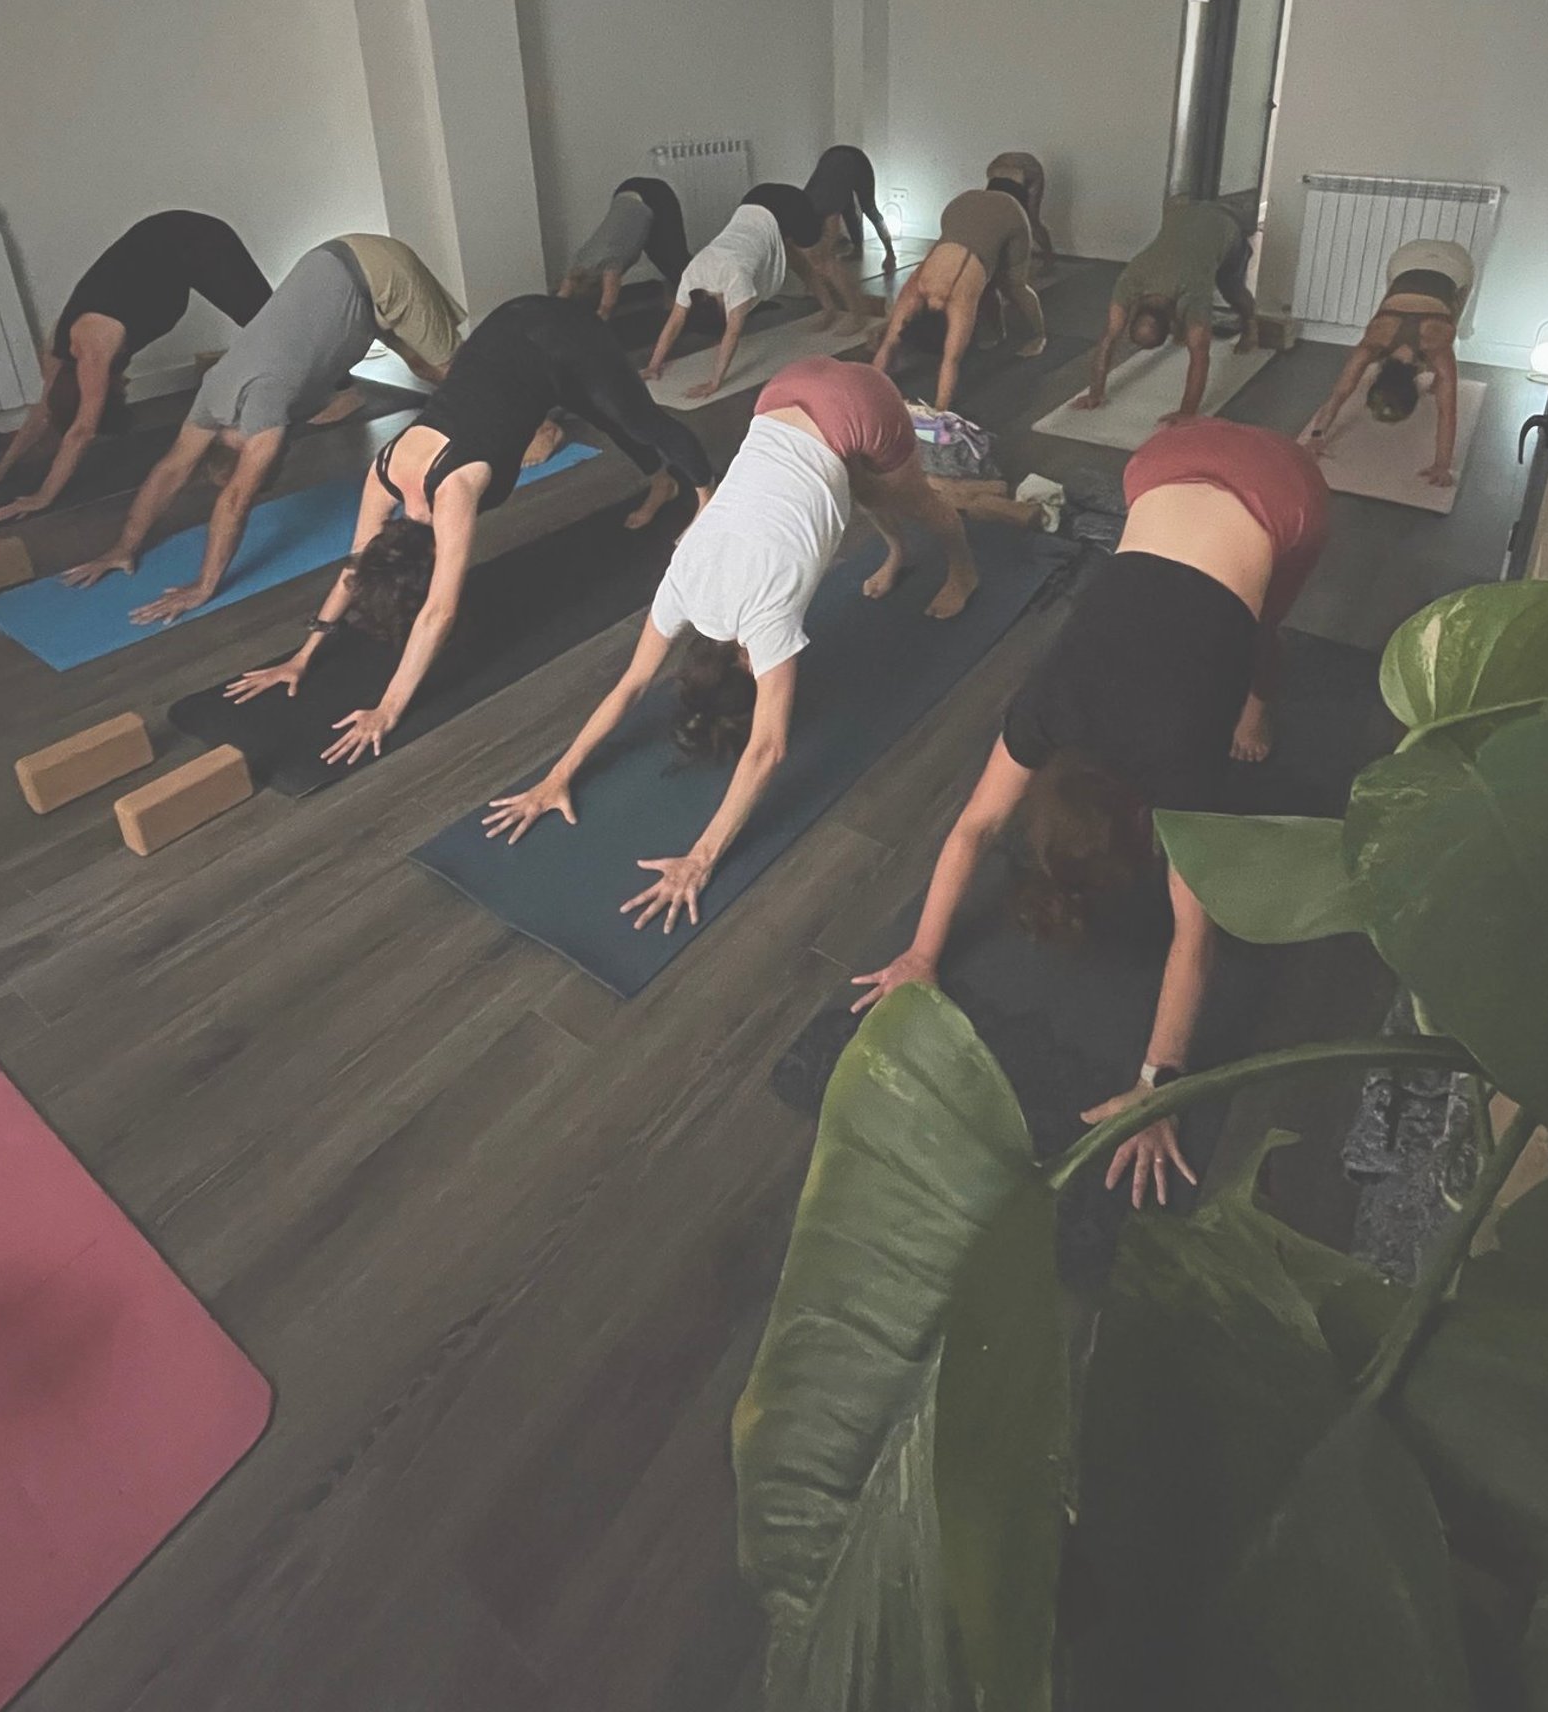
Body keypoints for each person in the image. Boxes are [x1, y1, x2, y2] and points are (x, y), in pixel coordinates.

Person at [852, 419, 1328, 1206]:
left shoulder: (1182, 770)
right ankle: (1245, 686)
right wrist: (921, 954)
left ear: (1145, 827)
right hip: (1166, 460)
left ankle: (1256, 704)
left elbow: (1194, 941)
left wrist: (1156, 1086)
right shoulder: (1044, 713)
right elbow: (973, 830)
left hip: (1282, 489)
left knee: (1257, 624)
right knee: (1231, 616)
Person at [480, 357, 978, 927]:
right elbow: (632, 685)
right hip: (782, 395)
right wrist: (555, 777)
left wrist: (701, 858)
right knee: (864, 486)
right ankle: (897, 553)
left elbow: (767, 749)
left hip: (856, 400)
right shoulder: (681, 585)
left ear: (745, 661)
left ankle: (964, 570)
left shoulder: (766, 624)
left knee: (912, 499)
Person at [222, 296, 713, 764]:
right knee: (598, 410)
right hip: (511, 343)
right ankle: (660, 484)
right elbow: (356, 564)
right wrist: (303, 655)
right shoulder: (383, 471)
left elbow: (440, 610)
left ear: (430, 559)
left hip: (559, 334)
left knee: (635, 416)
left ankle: (705, 497)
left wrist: (388, 707)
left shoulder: (452, 492)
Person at [59, 234, 464, 626]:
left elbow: (237, 499)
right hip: (337, 271)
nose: (280, 457)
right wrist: (123, 547)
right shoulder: (215, 392)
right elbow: (170, 470)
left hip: (376, 269)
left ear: (245, 449)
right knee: (422, 365)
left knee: (451, 370)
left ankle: (528, 431)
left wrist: (203, 586)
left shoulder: (265, 404)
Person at [0, 210, 271, 521]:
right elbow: (44, 409)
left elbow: (81, 432)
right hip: (166, 247)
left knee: (273, 326)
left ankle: (324, 397)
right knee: (267, 327)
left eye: (119, 394)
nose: (126, 386)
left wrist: (43, 496)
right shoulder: (59, 349)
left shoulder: (95, 348)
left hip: (196, 239)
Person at [644, 184, 864, 400]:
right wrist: (654, 366)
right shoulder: (691, 276)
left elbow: (732, 333)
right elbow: (674, 322)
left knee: (820, 262)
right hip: (754, 200)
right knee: (796, 259)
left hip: (789, 205)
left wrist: (715, 382)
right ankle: (829, 309)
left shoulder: (735, 278)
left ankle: (856, 313)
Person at [1302, 237, 1474, 488]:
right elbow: (1340, 393)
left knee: (1450, 318)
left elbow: (1448, 412)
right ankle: (1441, 378)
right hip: (1415, 260)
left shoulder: (1422, 345)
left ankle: (1440, 380)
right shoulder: (1383, 343)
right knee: (1441, 317)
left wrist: (1442, 466)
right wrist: (1315, 436)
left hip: (1439, 262)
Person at [1073, 194, 1258, 423]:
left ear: (1172, 321)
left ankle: (1251, 326)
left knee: (1232, 289)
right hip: (1186, 213)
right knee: (1194, 317)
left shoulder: (1194, 289)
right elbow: (1109, 338)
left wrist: (1187, 412)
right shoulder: (1130, 280)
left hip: (1228, 225)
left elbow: (1200, 355)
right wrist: (1095, 393)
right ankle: (1188, 329)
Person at [871, 187, 1046, 415]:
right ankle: (997, 332)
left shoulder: (960, 302)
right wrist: (869, 390)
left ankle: (1039, 335)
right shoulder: (915, 287)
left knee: (1013, 285)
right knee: (984, 277)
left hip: (1007, 213)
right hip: (961, 206)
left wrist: (940, 412)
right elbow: (890, 343)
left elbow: (950, 361)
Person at [558, 177, 691, 321]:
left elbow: (607, 306)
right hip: (626, 190)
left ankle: (706, 296)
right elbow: (560, 299)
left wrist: (591, 324)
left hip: (654, 194)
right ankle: (674, 302)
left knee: (675, 259)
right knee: (659, 253)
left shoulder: (610, 266)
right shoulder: (579, 260)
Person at [804, 144, 896, 272]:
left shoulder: (825, 204)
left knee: (869, 209)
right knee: (847, 209)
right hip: (833, 159)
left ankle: (890, 252)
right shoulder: (809, 200)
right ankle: (857, 250)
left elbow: (832, 232)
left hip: (858, 163)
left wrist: (823, 259)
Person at [986, 151, 1053, 261]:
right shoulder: (994, 176)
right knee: (1003, 220)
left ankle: (1048, 257)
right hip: (1011, 171)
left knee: (1031, 220)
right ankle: (1046, 256)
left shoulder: (1025, 174)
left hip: (1027, 171)